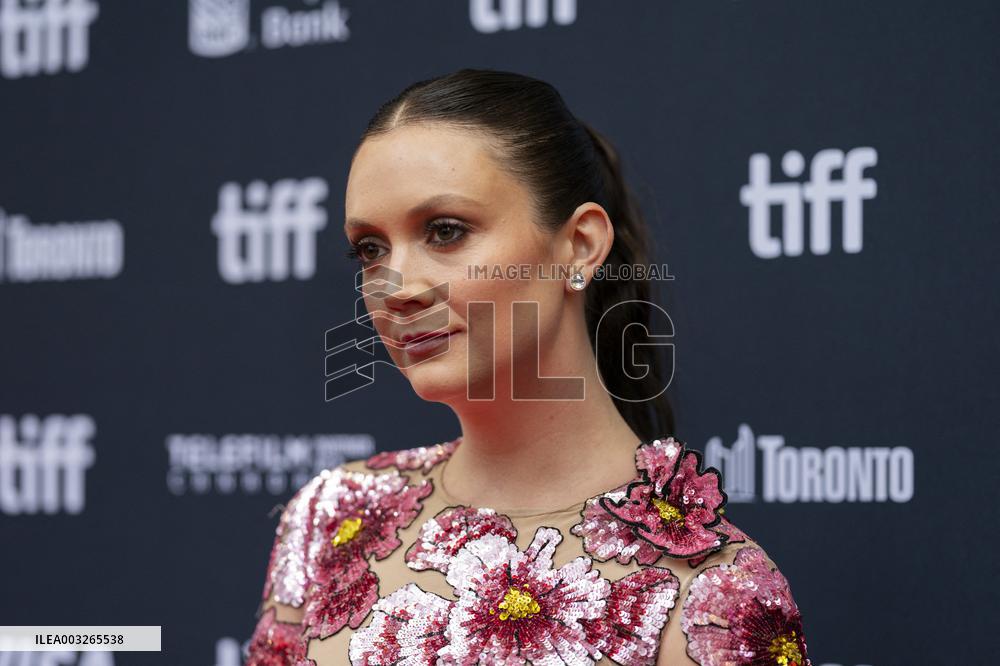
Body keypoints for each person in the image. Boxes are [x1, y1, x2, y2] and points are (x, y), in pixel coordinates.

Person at [244, 68, 811, 666]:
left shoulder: (713, 598)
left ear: (580, 245)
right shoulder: (333, 516)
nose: (397, 288)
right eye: (370, 249)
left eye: (445, 231)